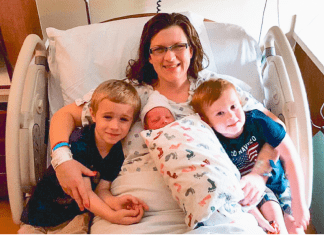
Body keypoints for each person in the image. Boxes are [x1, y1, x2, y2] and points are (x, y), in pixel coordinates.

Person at [49, 13, 285, 233]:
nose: (169, 57)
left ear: (191, 50)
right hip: (135, 211)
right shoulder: (129, 93)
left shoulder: (216, 89)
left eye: (178, 47)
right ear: (149, 56)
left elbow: (276, 128)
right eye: (160, 49)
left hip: (217, 207)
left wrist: (258, 174)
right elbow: (65, 115)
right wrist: (62, 161)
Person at [19, 80, 149, 234]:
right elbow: (84, 193)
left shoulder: (117, 153)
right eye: (107, 117)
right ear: (93, 114)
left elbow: (102, 190)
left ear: (132, 122)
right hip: (39, 217)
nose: (114, 126)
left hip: (75, 217)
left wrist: (115, 202)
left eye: (123, 119)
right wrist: (113, 216)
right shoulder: (79, 141)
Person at [191, 78, 310, 233]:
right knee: (276, 227)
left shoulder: (258, 122)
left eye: (234, 106)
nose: (232, 117)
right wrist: (260, 221)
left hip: (279, 185)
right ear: (206, 121)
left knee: (296, 228)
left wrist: (299, 202)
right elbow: (226, 185)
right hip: (246, 197)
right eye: (220, 113)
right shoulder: (212, 143)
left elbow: (290, 156)